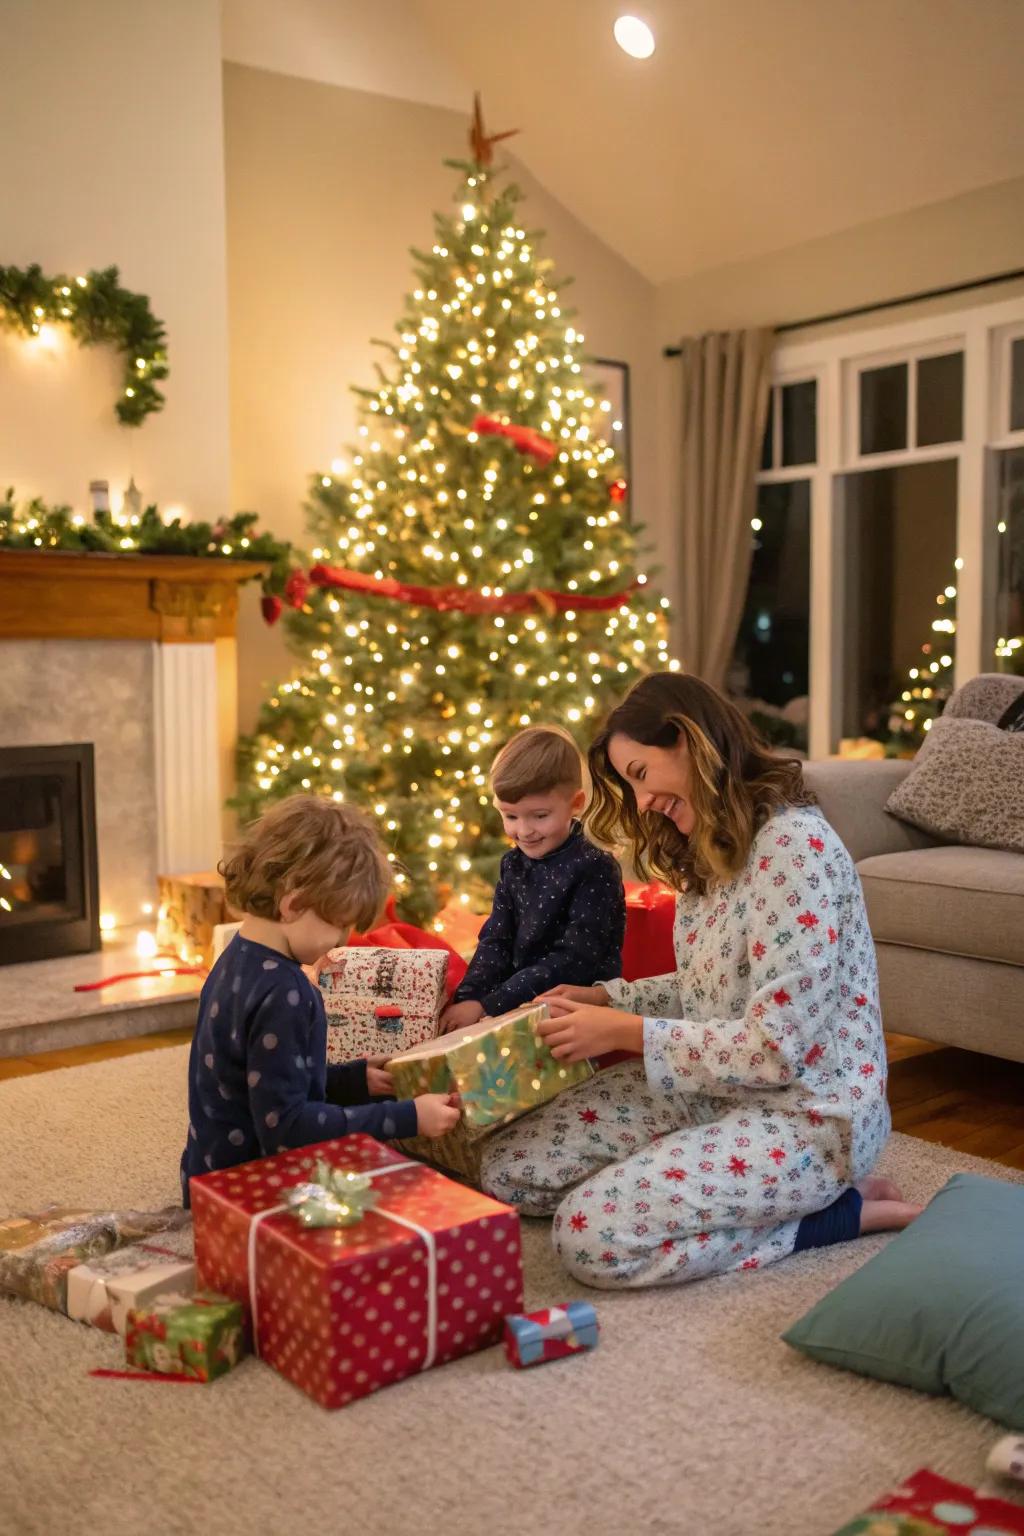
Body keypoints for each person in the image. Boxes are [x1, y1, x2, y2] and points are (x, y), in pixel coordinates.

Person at [479, 674, 919, 1288]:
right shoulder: (705, 852)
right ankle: (700, 1181)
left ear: (688, 743)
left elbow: (776, 1049)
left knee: (592, 1238)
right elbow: (702, 988)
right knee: (508, 1169)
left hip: (808, 1114)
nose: (638, 803)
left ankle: (833, 1211)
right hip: (705, 1089)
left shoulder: (793, 849)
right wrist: (608, 996)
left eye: (639, 774)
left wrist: (627, 1031)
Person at [180, 795, 459, 1203]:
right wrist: (408, 1117)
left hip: (210, 1177)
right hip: (253, 1196)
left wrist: (350, 1079)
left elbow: (267, 1078)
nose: (344, 942)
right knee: (405, 1191)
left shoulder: (234, 955)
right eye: (339, 925)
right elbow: (289, 1129)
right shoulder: (286, 991)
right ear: (294, 905)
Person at [440, 725, 625, 1032]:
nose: (524, 831)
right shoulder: (513, 864)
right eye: (511, 816)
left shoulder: (594, 867)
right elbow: (496, 940)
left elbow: (576, 959)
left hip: (574, 1013)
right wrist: (470, 997)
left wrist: (492, 1003)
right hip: (513, 1005)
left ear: (576, 804)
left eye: (540, 816)